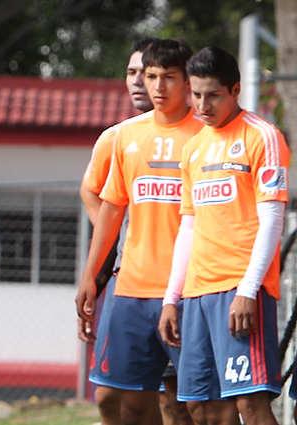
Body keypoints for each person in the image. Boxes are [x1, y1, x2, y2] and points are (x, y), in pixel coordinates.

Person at [77, 39, 205, 425]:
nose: (157, 86)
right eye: (150, 76)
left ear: (188, 81)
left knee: (198, 407)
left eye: (169, 77)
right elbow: (110, 208)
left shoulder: (208, 135)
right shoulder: (124, 136)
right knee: (123, 401)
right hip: (132, 289)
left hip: (191, 291)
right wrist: (91, 276)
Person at [159, 46, 287, 425]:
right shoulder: (193, 147)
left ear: (235, 90)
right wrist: (172, 298)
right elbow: (189, 226)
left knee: (250, 403)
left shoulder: (262, 136)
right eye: (196, 95)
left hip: (240, 289)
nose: (203, 105)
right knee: (203, 409)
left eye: (213, 95)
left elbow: (272, 219)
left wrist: (248, 290)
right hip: (197, 293)